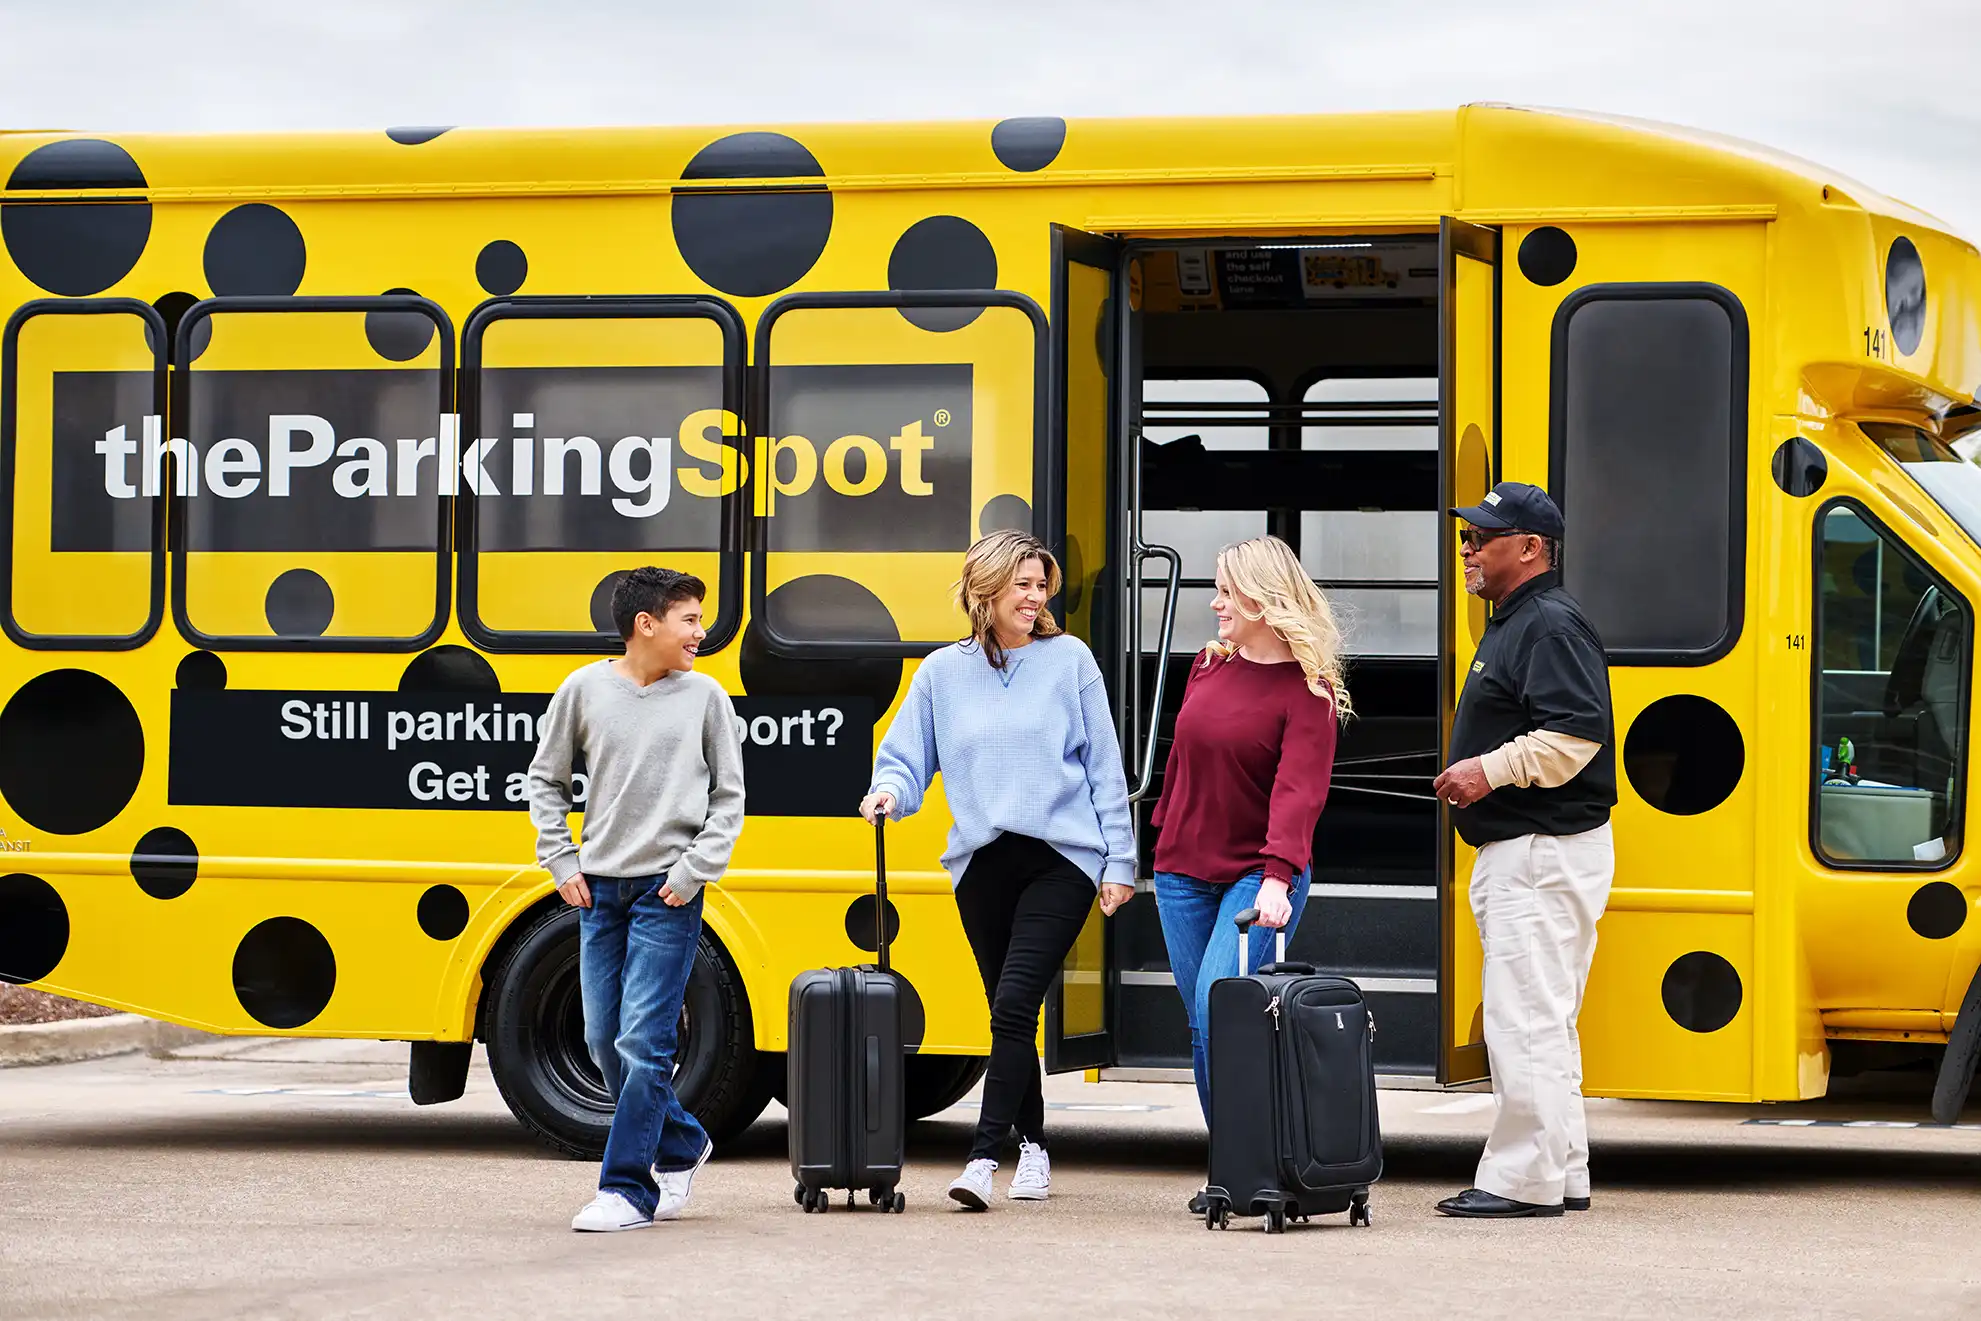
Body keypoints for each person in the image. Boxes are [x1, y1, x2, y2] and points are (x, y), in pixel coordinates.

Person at [859, 529, 1136, 1210]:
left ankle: (983, 1158)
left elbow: (1104, 767)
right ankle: (1034, 1147)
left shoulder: (1069, 660)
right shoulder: (941, 672)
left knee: (1013, 1004)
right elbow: (907, 756)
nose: (1036, 597)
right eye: (1023, 584)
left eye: (1042, 585)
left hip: (1062, 858)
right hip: (981, 862)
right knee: (1009, 1013)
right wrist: (889, 791)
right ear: (985, 589)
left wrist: (1119, 861)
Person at [528, 566, 746, 1232]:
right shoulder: (583, 690)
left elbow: (729, 797)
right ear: (645, 624)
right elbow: (545, 780)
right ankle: (680, 1141)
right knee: (603, 1040)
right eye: (689, 619)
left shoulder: (706, 697)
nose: (701, 632)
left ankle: (626, 1189)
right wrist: (560, 858)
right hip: (598, 892)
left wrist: (693, 871)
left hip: (667, 894)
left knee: (644, 1043)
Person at [1431, 481, 1616, 1220]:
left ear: (1531, 547)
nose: (1467, 550)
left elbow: (1574, 734)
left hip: (1538, 849)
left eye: (1481, 538)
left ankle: (1521, 1180)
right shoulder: (1524, 619)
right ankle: (1562, 1171)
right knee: (1545, 1019)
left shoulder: (1545, 623)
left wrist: (1486, 770)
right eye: (1465, 537)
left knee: (1524, 1022)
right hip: (1542, 848)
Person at [1149, 535, 1347, 1213]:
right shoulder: (1208, 665)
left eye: (1227, 591)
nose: (1216, 603)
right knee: (1205, 1023)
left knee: (1220, 1009)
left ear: (1263, 600)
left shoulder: (1309, 691)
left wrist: (1278, 877)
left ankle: (1254, 1162)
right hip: (1180, 871)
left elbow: (1299, 793)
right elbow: (1182, 763)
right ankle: (1234, 1167)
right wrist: (1159, 838)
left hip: (1258, 873)